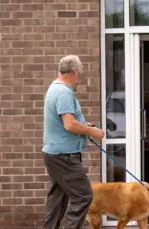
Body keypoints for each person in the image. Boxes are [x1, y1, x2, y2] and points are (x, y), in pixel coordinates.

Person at [42, 55, 105, 229]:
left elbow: (66, 122)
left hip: (55, 154)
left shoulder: (54, 88)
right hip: (64, 156)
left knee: (58, 198)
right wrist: (91, 131)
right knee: (83, 196)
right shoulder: (63, 92)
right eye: (81, 71)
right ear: (75, 71)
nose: (81, 75)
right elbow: (69, 125)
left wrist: (85, 126)